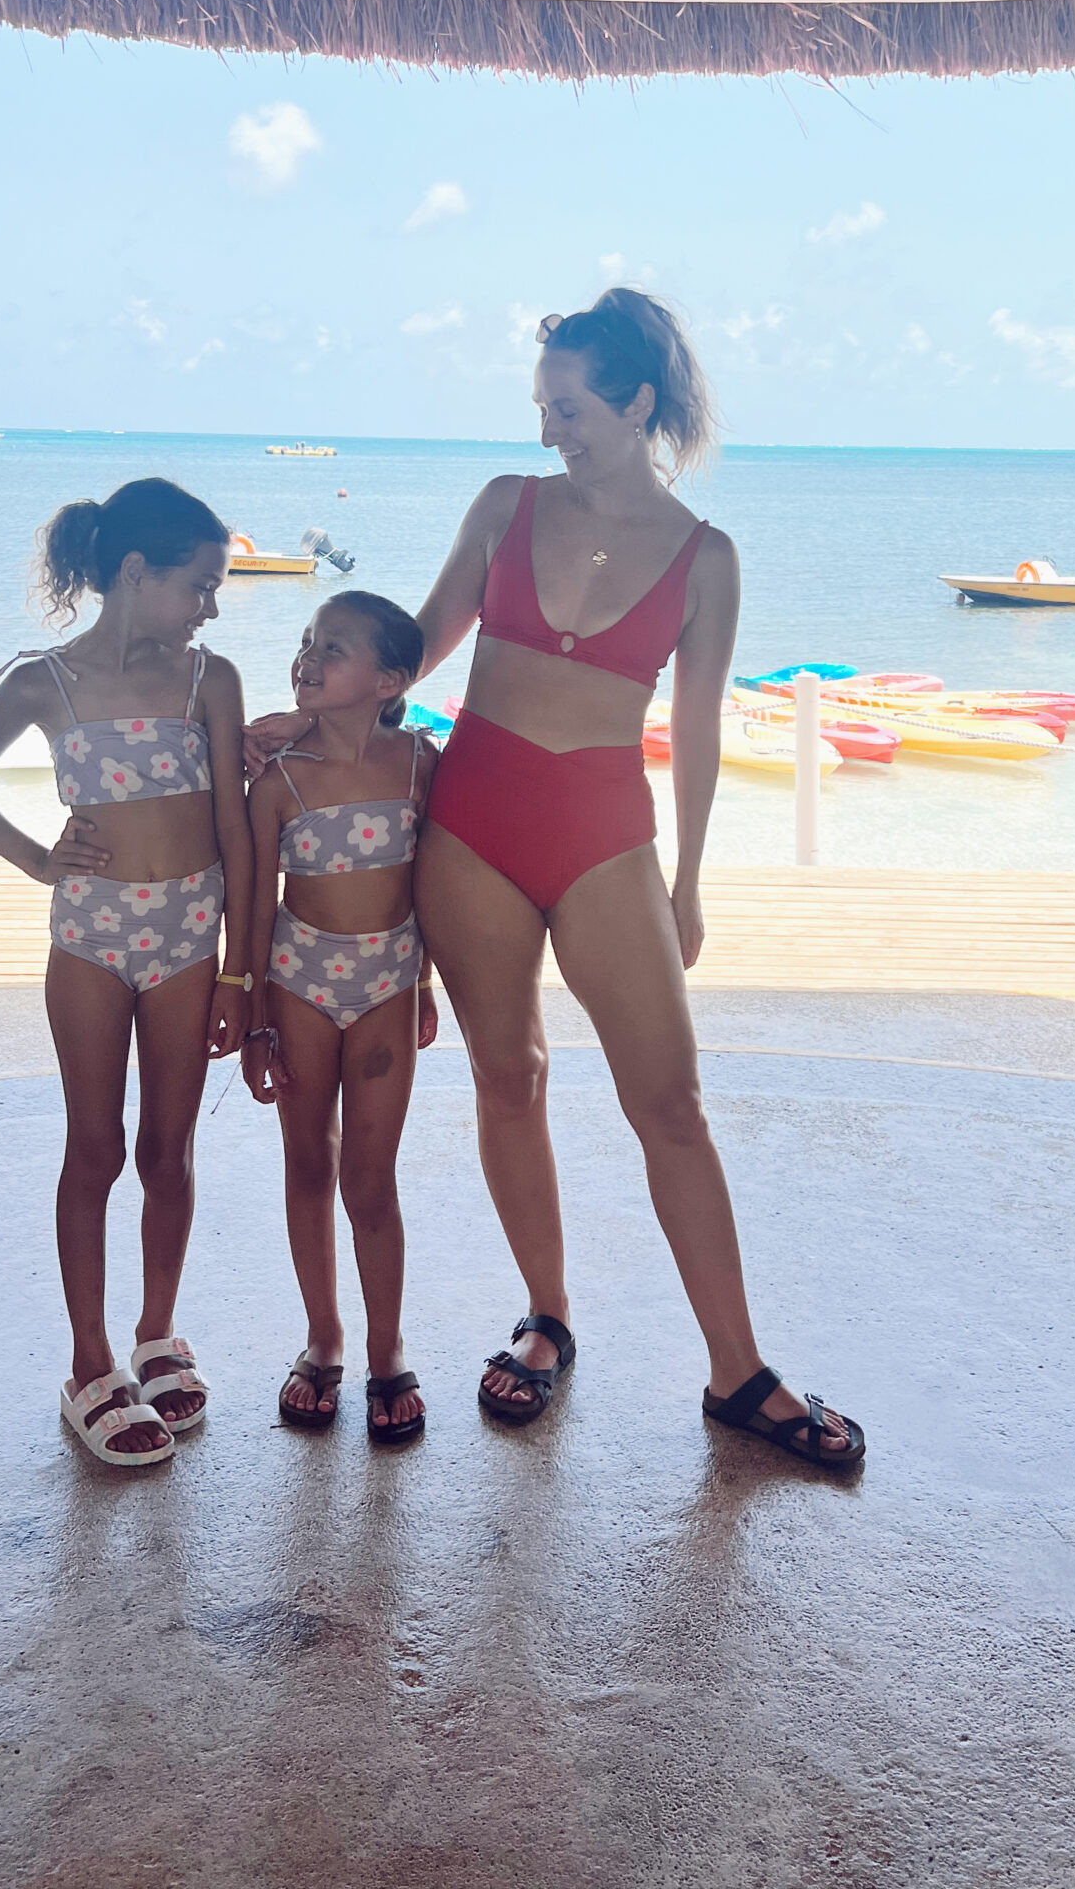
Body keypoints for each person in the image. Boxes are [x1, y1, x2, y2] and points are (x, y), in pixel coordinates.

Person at [250, 290, 861, 1470]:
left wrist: (687, 881)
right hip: (472, 822)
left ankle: (739, 1370)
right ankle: (548, 1316)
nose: (550, 431)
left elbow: (696, 725)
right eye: (541, 407)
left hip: (604, 835)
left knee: (669, 1103)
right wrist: (309, 709)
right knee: (507, 1073)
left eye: (570, 407)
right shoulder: (503, 507)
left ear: (638, 400)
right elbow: (414, 648)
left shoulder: (705, 559)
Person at [0, 477, 253, 1468]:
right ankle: (89, 1362)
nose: (211, 602)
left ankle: (157, 1334)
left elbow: (238, 832)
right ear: (133, 572)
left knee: (169, 1145)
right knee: (95, 1148)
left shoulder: (212, 680)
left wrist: (241, 970)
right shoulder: (44, 684)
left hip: (190, 937)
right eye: (200, 582)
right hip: (90, 940)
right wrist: (37, 858)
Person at [242, 594, 439, 1445]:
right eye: (307, 643)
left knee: (371, 1179)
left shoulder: (418, 764)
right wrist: (248, 1003)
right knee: (306, 1163)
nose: (309, 658)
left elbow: (436, 884)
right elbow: (252, 901)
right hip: (298, 983)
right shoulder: (279, 779)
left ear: (390, 678)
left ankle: (386, 1350)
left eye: (335, 649)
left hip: (387, 984)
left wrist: (425, 979)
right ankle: (324, 1338)